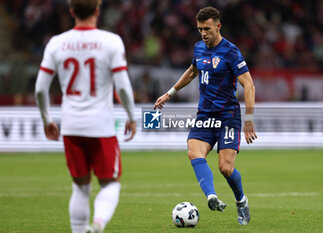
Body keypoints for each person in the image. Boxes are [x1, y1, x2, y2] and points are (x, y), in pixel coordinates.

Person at [35, 0, 136, 232]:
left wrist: (46, 119)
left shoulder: (56, 43)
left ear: (71, 11)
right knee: (110, 184)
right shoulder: (111, 41)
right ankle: (98, 224)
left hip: (71, 126)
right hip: (101, 126)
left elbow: (41, 88)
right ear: (98, 10)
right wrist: (131, 115)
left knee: (80, 188)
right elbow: (122, 86)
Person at [154, 6, 257, 226]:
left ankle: (241, 201)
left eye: (207, 29)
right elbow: (192, 71)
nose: (203, 33)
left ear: (218, 26)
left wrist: (248, 120)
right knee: (194, 152)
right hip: (205, 115)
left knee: (225, 168)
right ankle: (211, 196)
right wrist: (169, 93)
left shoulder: (231, 51)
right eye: (200, 29)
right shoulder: (199, 48)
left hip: (228, 116)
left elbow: (248, 84)